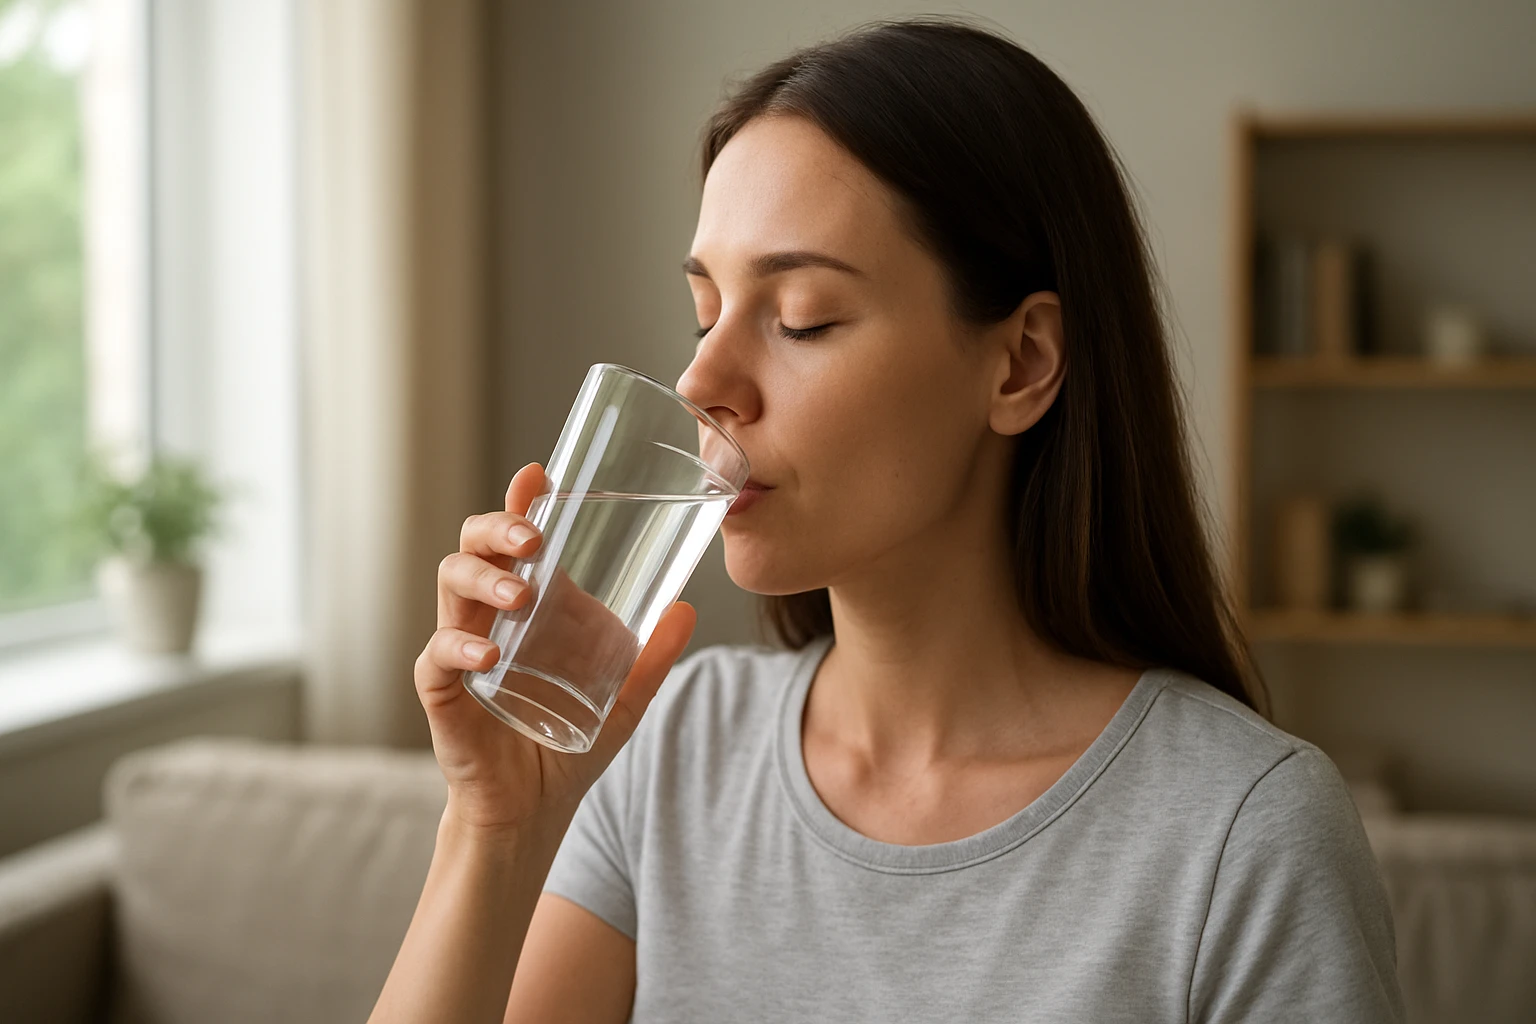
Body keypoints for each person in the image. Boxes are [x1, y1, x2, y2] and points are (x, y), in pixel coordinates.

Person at [370, 17, 1403, 1024]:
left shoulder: (1244, 830)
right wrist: (494, 830)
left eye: (803, 317)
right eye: (705, 311)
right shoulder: (668, 746)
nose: (702, 378)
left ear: (1022, 362)